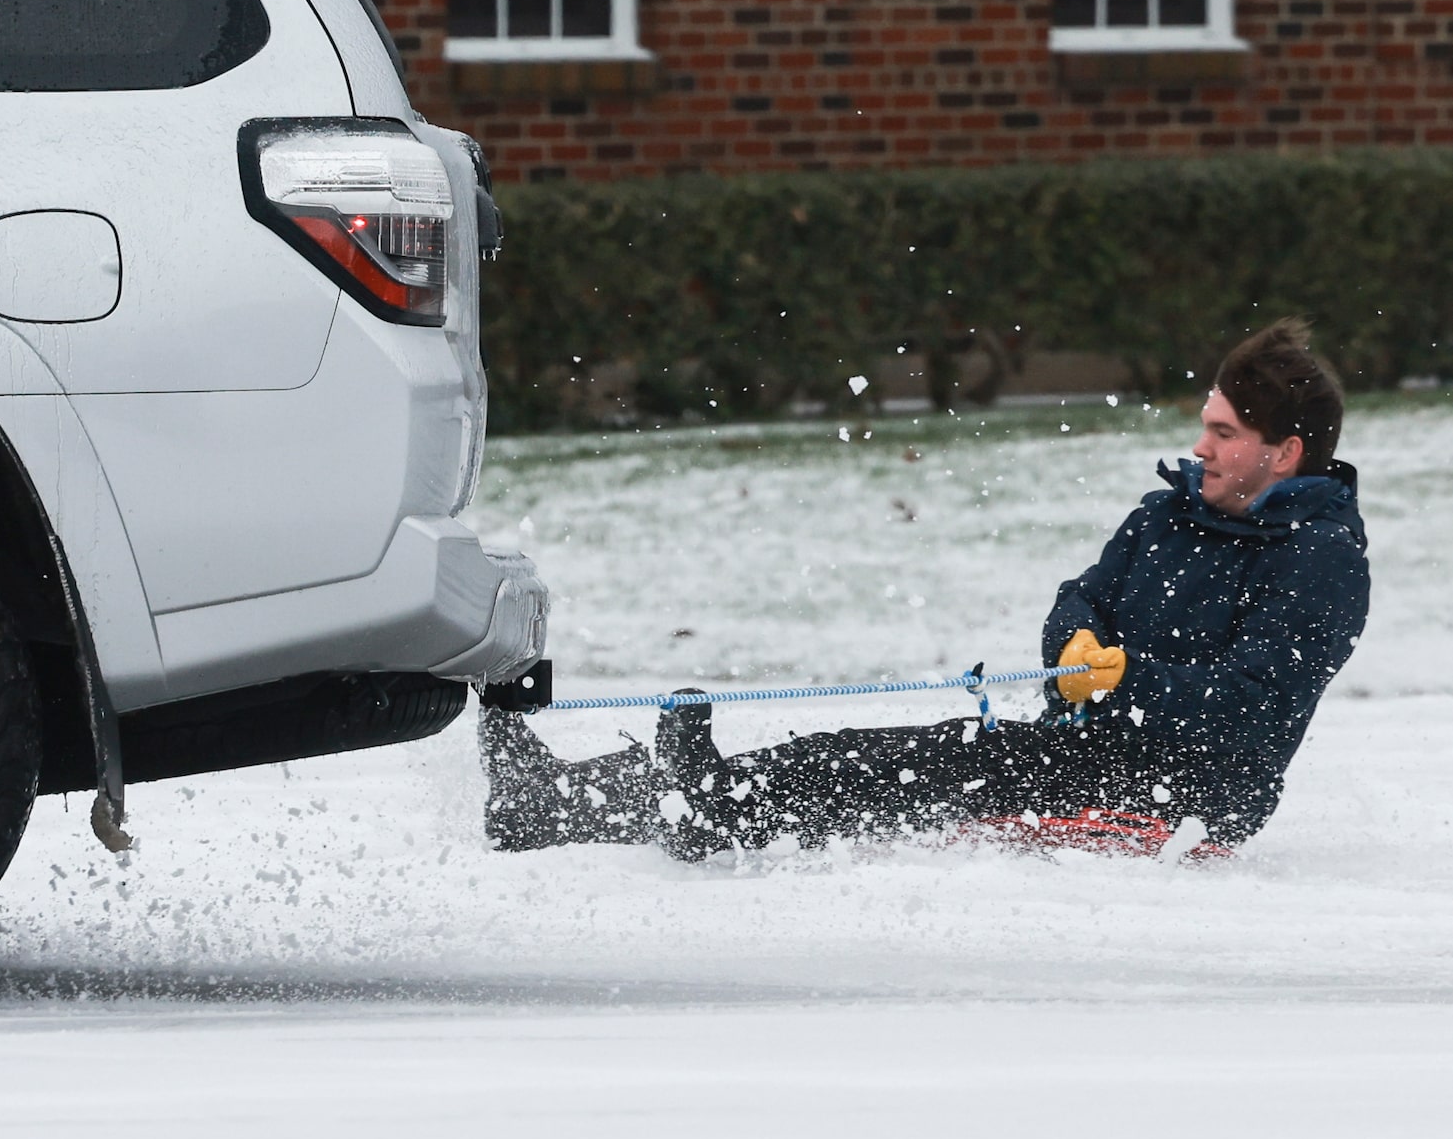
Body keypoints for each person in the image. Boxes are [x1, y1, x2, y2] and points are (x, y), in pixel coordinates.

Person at [484, 318, 1371, 859]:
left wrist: (1120, 678)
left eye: (1222, 432)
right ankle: (556, 802)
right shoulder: (1169, 512)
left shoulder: (1320, 560)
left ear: (1283, 453)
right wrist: (1071, 644)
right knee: (905, 748)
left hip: (1181, 799)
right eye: (1203, 426)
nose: (1201, 446)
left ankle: (708, 810)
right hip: (1088, 745)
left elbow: (1254, 704)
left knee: (922, 770)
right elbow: (1084, 595)